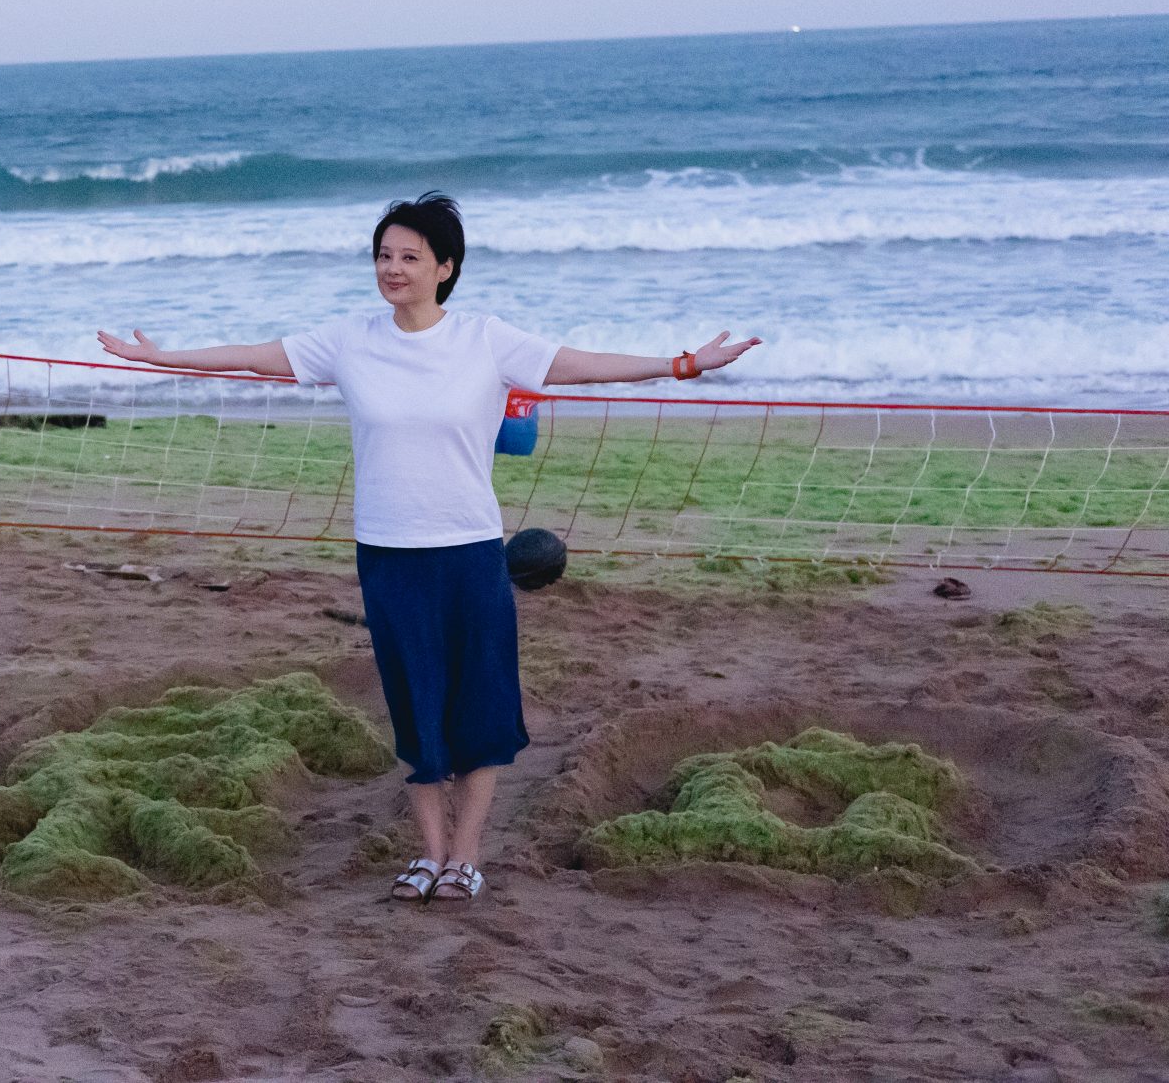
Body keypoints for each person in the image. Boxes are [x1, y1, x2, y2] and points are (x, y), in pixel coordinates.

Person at [97, 192, 760, 903]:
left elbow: (579, 364)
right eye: (384, 255)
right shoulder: (349, 340)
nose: (393, 268)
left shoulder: (485, 339)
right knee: (415, 707)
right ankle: (429, 852)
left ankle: (465, 857)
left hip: (469, 550)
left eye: (410, 257)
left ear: (445, 267)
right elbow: (256, 357)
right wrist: (162, 357)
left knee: (479, 706)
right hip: (388, 555)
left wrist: (682, 363)